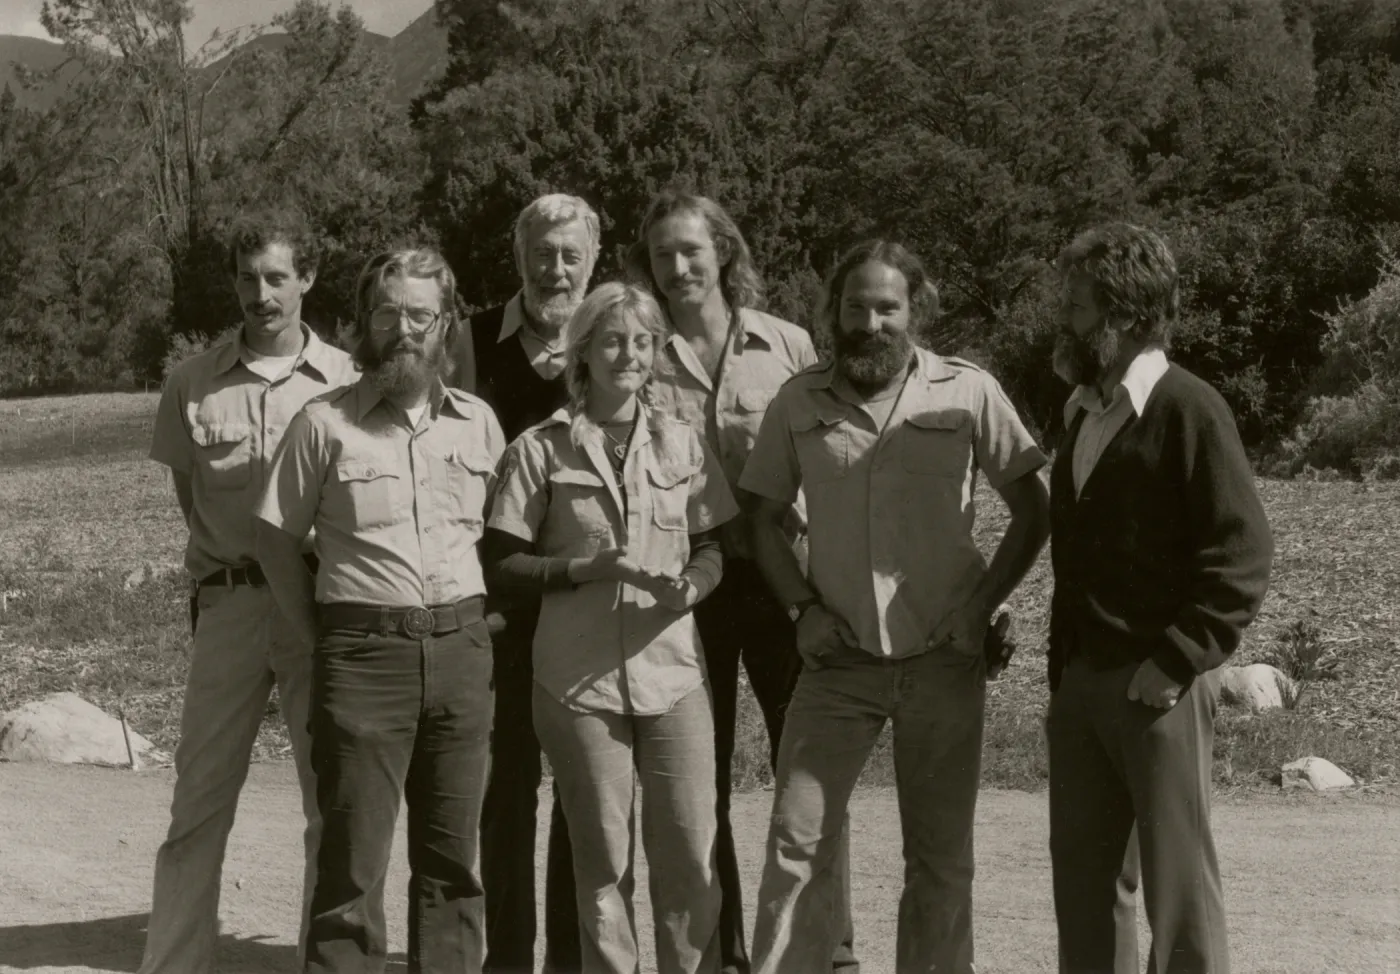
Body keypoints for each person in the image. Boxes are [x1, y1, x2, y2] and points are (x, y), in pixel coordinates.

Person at [740, 239, 1051, 974]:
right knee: (796, 840)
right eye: (856, 306)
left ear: (916, 312)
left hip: (944, 658)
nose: (871, 321)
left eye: (888, 307)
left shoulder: (968, 391)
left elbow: (1034, 510)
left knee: (940, 860)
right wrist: (801, 612)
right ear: (833, 312)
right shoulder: (799, 399)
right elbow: (760, 517)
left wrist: (982, 606)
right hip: (836, 660)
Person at [626, 188, 859, 974]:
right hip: (689, 590)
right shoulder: (638, 353)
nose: (678, 266)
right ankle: (722, 956)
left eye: (690, 249)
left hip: (787, 584)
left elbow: (833, 457)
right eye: (662, 255)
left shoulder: (788, 345)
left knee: (812, 775)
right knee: (701, 784)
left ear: (723, 251)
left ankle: (828, 949)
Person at [255, 246, 505, 973]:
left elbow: (492, 536)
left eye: (420, 314)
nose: (403, 329)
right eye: (387, 312)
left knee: (454, 869)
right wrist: (323, 641)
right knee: (351, 875)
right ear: (365, 322)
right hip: (361, 660)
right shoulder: (323, 424)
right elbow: (274, 540)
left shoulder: (479, 425)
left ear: (447, 326)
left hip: (461, 659)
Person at [484, 281, 738, 974]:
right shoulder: (540, 449)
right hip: (576, 682)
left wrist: (695, 583)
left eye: (642, 341)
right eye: (612, 340)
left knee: (690, 851)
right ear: (584, 351)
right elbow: (503, 561)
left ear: (656, 352)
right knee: (603, 862)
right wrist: (586, 569)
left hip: (674, 676)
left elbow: (714, 543)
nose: (628, 354)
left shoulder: (682, 443)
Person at [1045, 223, 1273, 974]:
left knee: (1178, 892)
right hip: (1082, 686)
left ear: (1125, 317)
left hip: (1159, 688)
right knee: (1084, 887)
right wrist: (1065, 674)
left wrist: (1175, 661)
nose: (1064, 320)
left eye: (1077, 306)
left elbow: (1241, 556)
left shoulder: (1189, 409)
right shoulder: (1079, 409)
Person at [141, 209, 357, 974]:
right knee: (198, 796)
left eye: (276, 277)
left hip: (318, 604)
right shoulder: (192, 383)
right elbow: (189, 497)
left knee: (328, 797)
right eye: (246, 278)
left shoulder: (349, 384)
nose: (261, 294)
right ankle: (174, 962)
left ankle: (321, 961)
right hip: (231, 604)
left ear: (307, 279)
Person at [446, 192, 600, 974]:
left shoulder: (614, 343)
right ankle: (506, 957)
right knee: (504, 794)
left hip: (587, 600)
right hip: (500, 599)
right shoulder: (468, 341)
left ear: (593, 262)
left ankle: (570, 960)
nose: (556, 270)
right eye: (542, 253)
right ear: (518, 259)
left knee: (583, 789)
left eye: (571, 255)